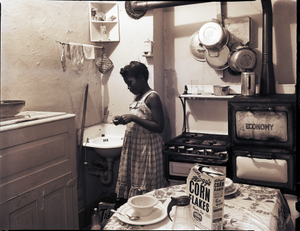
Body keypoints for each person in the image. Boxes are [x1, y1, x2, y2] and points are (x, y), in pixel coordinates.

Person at [113, 61, 167, 201]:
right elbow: (141, 117)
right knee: (135, 182)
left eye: (130, 82)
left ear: (142, 78)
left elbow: (159, 127)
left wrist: (133, 118)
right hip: (135, 149)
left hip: (147, 149)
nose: (128, 87)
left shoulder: (152, 97)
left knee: (146, 186)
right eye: (127, 84)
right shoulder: (138, 97)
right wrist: (123, 119)